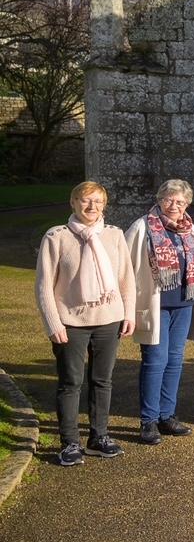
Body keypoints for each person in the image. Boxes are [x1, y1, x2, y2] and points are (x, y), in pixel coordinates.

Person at [35, 182, 136, 466]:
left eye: (98, 201)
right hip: (71, 322)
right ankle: (69, 444)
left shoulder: (114, 235)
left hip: (109, 320)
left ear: (104, 205)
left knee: (102, 381)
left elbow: (126, 278)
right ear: (73, 202)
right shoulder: (57, 237)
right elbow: (44, 285)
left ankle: (98, 438)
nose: (92, 207)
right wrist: (52, 322)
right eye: (85, 200)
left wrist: (129, 314)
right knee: (71, 383)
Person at [126, 179, 194, 445]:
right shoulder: (143, 227)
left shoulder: (189, 227)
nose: (175, 205)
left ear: (188, 204)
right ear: (160, 199)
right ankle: (148, 421)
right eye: (170, 200)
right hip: (155, 304)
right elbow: (125, 268)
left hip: (183, 303)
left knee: (175, 361)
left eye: (181, 201)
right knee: (155, 361)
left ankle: (167, 415)